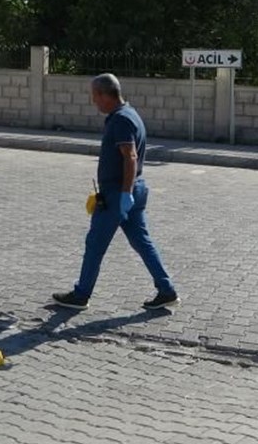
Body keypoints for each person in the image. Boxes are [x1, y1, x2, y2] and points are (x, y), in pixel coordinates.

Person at [51, 74, 179, 312]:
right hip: (135, 189)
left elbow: (129, 157)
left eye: (94, 96)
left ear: (103, 94)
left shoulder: (120, 120)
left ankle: (81, 295)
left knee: (95, 243)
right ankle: (166, 289)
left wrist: (124, 194)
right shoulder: (131, 113)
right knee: (142, 242)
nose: (93, 102)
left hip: (117, 193)